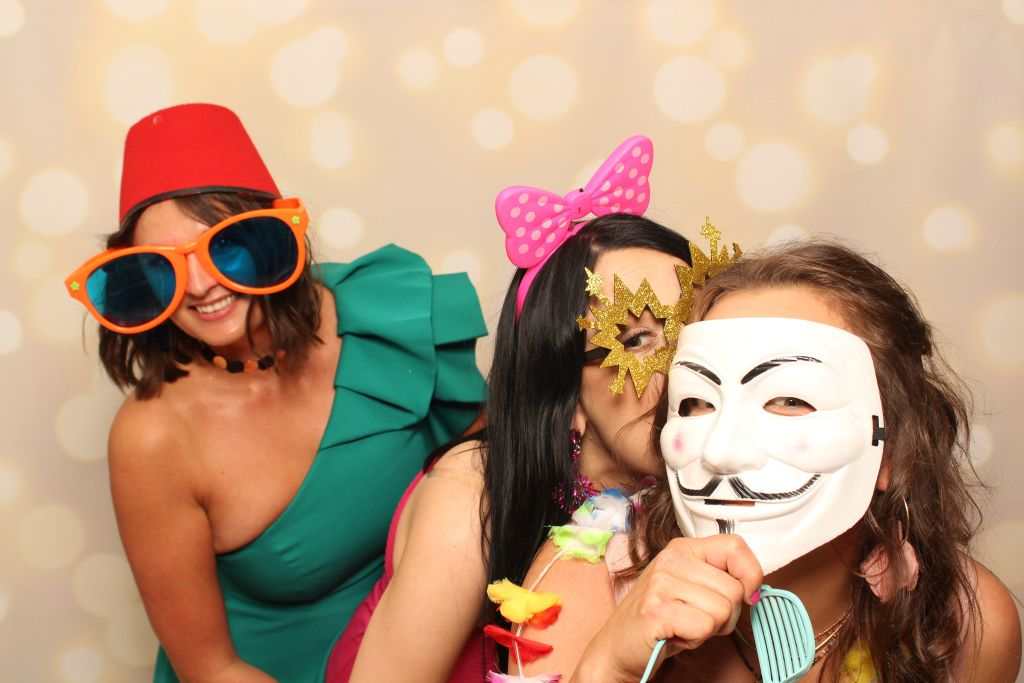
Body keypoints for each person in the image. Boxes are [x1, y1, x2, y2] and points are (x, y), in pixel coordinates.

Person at [64, 103, 487, 682]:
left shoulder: (385, 315)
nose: (200, 286)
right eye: (163, 267)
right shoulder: (153, 437)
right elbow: (212, 668)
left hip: (439, 649)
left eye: (224, 246)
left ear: (271, 235)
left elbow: (487, 478)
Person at [518, 239, 1022, 682]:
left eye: (790, 400)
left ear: (892, 449)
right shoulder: (584, 586)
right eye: (697, 403)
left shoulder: (967, 625)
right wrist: (607, 668)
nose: (721, 451)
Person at [326, 136, 698, 681]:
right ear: (564, 395)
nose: (684, 366)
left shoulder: (703, 478)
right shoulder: (469, 503)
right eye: (636, 341)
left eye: (695, 328)